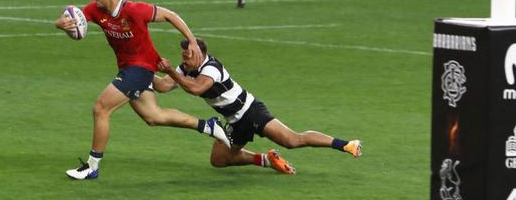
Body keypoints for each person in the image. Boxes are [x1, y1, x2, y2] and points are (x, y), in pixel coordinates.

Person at [54, 0, 231, 180]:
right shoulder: (95, 10)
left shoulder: (135, 10)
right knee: (153, 117)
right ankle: (208, 126)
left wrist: (191, 40)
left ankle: (92, 167)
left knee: (101, 108)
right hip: (127, 68)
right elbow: (72, 17)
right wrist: (61, 24)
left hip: (141, 68)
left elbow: (170, 15)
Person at [153, 37, 362, 173]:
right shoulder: (185, 68)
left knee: (292, 140)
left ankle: (346, 144)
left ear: (199, 54)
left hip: (250, 112)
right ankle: (266, 160)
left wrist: (171, 71)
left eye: (188, 55)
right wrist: (140, 71)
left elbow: (196, 88)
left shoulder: (212, 68)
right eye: (183, 55)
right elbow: (163, 86)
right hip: (234, 121)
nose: (184, 59)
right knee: (219, 160)